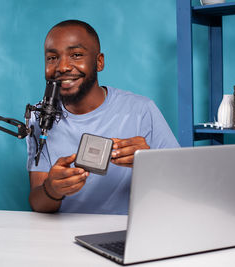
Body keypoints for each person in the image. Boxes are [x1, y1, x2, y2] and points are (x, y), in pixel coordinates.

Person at [27, 20, 179, 215]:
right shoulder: (41, 116)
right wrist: (52, 189)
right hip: (61, 234)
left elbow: (180, 184)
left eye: (76, 55)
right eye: (52, 57)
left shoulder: (141, 110)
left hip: (123, 232)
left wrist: (149, 163)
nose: (62, 66)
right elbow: (37, 202)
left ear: (99, 62)